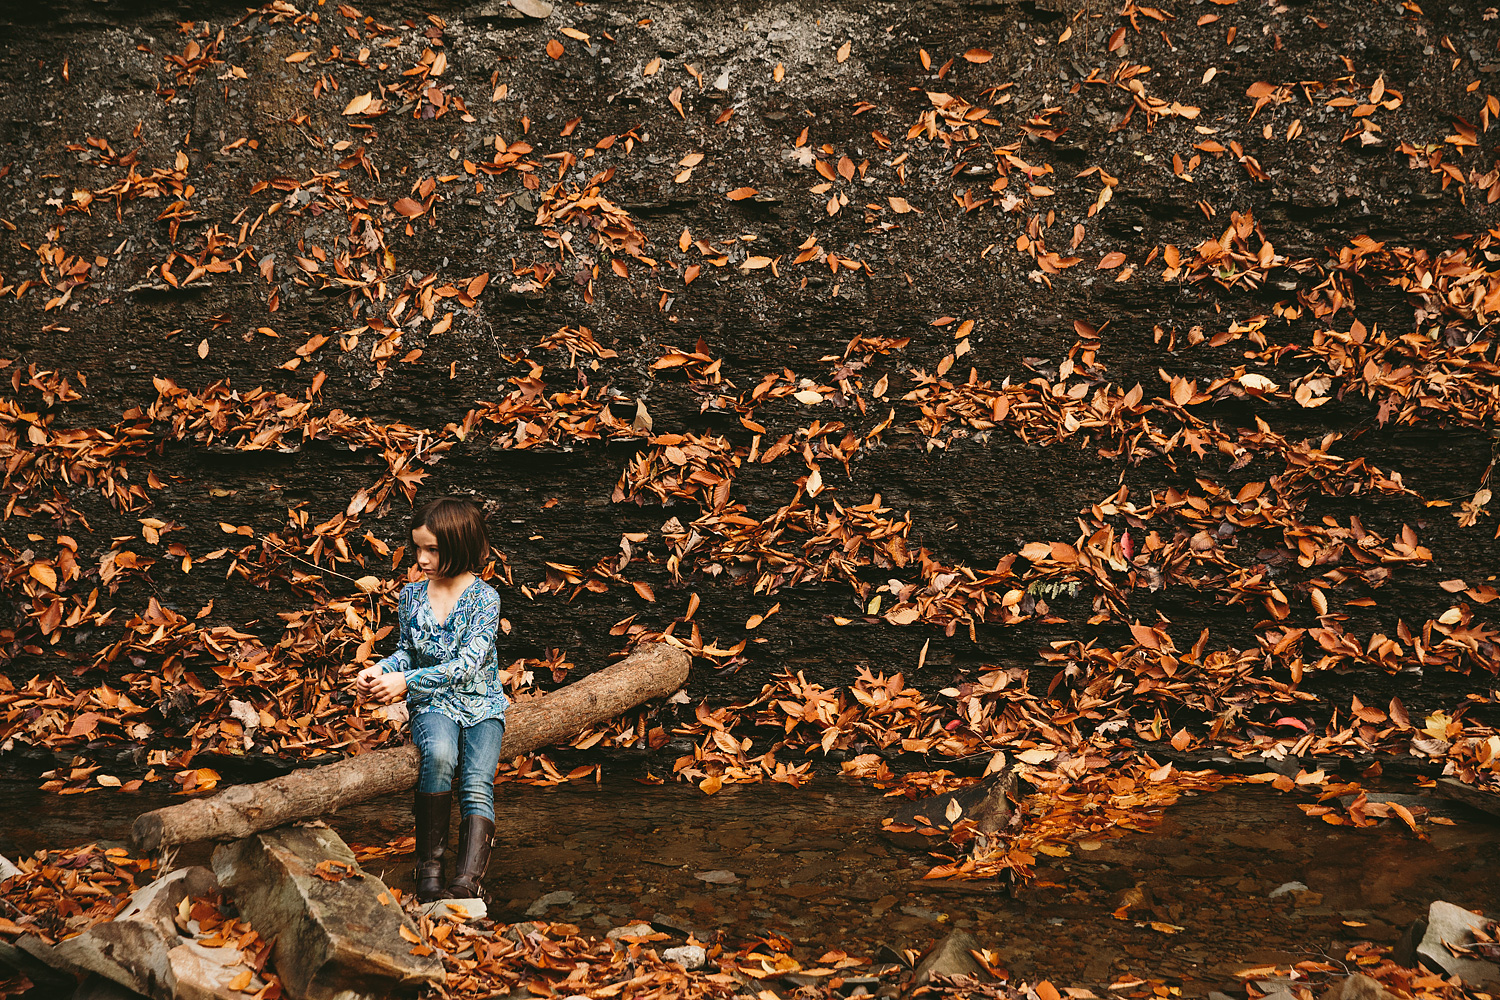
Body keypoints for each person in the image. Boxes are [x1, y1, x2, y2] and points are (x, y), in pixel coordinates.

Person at [357, 496, 507, 902]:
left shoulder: (484, 599)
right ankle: (429, 871)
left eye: (432, 550)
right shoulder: (411, 596)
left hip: (482, 704)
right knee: (439, 756)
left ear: (459, 545)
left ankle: (468, 879)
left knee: (476, 782)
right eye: (418, 548)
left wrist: (406, 681)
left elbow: (470, 664)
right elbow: (408, 649)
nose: (421, 558)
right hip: (434, 703)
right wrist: (383, 670)